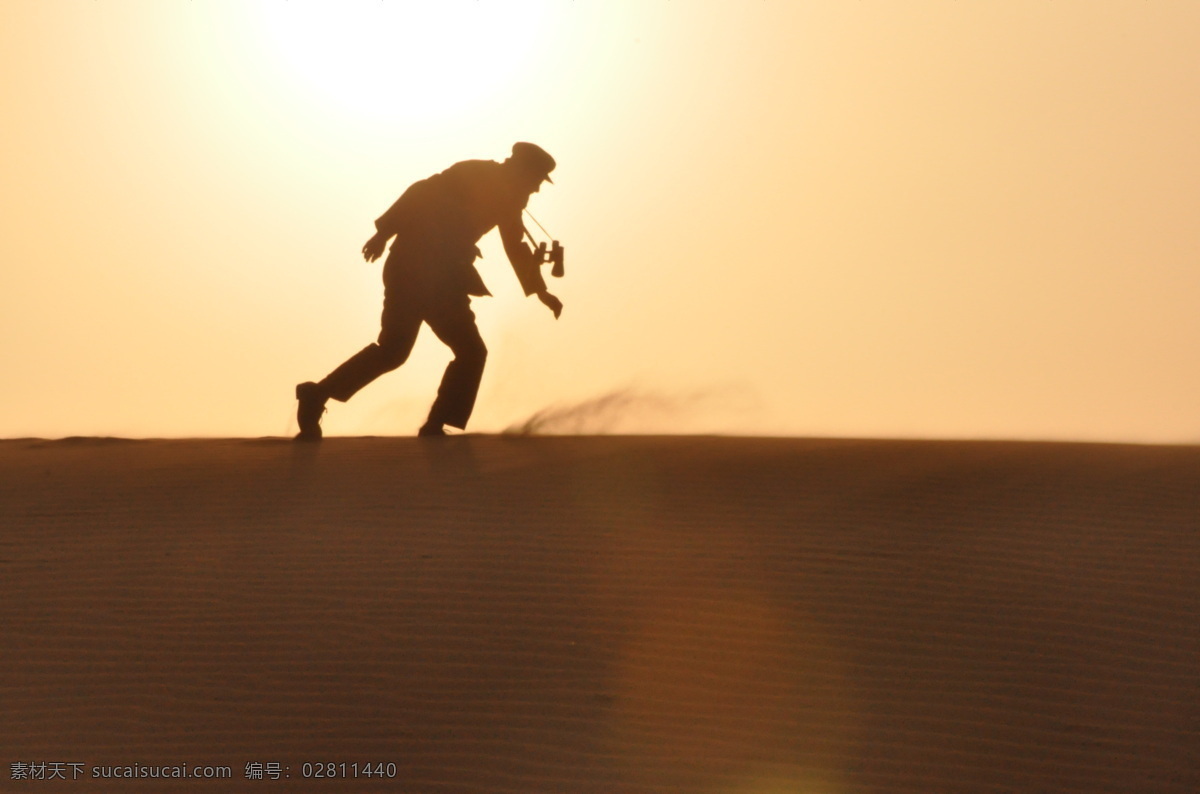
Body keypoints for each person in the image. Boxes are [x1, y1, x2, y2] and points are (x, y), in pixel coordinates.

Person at [294, 142, 562, 440]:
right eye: (537, 180)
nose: (537, 189)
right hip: (425, 271)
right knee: (466, 352)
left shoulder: (511, 197)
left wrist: (540, 290)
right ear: (522, 171)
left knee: (396, 351)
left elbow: (514, 245)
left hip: (431, 272)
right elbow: (420, 193)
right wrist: (383, 232)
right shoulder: (475, 173)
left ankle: (317, 395)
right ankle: (433, 425)